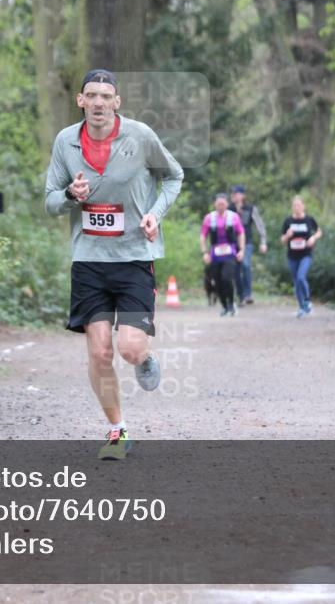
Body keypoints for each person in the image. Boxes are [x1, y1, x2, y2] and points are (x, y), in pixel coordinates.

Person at [45, 68, 184, 460]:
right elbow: (50, 201)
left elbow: (174, 176)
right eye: (92, 95)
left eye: (107, 96)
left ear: (117, 102)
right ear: (81, 100)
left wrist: (156, 213)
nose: (100, 102)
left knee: (129, 349)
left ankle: (145, 357)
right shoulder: (65, 143)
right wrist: (72, 195)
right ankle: (117, 431)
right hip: (89, 261)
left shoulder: (140, 136)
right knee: (99, 352)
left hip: (135, 257)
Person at [200, 193, 246, 317]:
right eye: (219, 203)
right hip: (215, 255)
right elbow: (203, 236)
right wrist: (205, 252)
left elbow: (241, 233)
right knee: (217, 281)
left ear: (226, 204)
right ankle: (224, 306)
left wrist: (241, 250)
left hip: (230, 253)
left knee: (227, 278)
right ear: (215, 204)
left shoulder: (234, 217)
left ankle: (231, 304)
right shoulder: (209, 218)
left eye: (223, 203)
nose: (221, 206)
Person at [280, 196, 322, 317]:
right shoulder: (288, 221)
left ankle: (307, 301)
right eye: (295, 205)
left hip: (306, 254)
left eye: (299, 205)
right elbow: (282, 240)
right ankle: (302, 307)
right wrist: (287, 236)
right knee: (296, 281)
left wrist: (313, 238)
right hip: (292, 255)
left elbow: (319, 231)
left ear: (303, 206)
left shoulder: (309, 219)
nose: (297, 207)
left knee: (300, 277)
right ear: (292, 207)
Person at [228, 184, 268, 305]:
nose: (233, 196)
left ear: (243, 195)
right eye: (232, 193)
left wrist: (263, 242)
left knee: (245, 266)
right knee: (235, 270)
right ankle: (240, 295)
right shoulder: (229, 209)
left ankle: (247, 294)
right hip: (232, 244)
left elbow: (260, 225)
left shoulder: (250, 209)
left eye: (236, 193)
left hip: (247, 243)